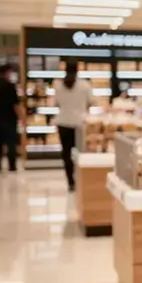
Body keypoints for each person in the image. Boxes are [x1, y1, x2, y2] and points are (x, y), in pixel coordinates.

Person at [54, 61, 92, 191]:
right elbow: (90, 103)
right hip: (80, 124)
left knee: (66, 153)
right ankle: (81, 179)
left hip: (63, 122)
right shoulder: (84, 85)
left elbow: (57, 103)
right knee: (80, 153)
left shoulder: (58, 85)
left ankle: (70, 181)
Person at [0, 64, 23, 172]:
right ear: (6, 73)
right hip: (9, 118)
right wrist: (22, 118)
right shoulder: (10, 86)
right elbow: (16, 105)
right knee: (11, 143)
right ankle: (12, 165)